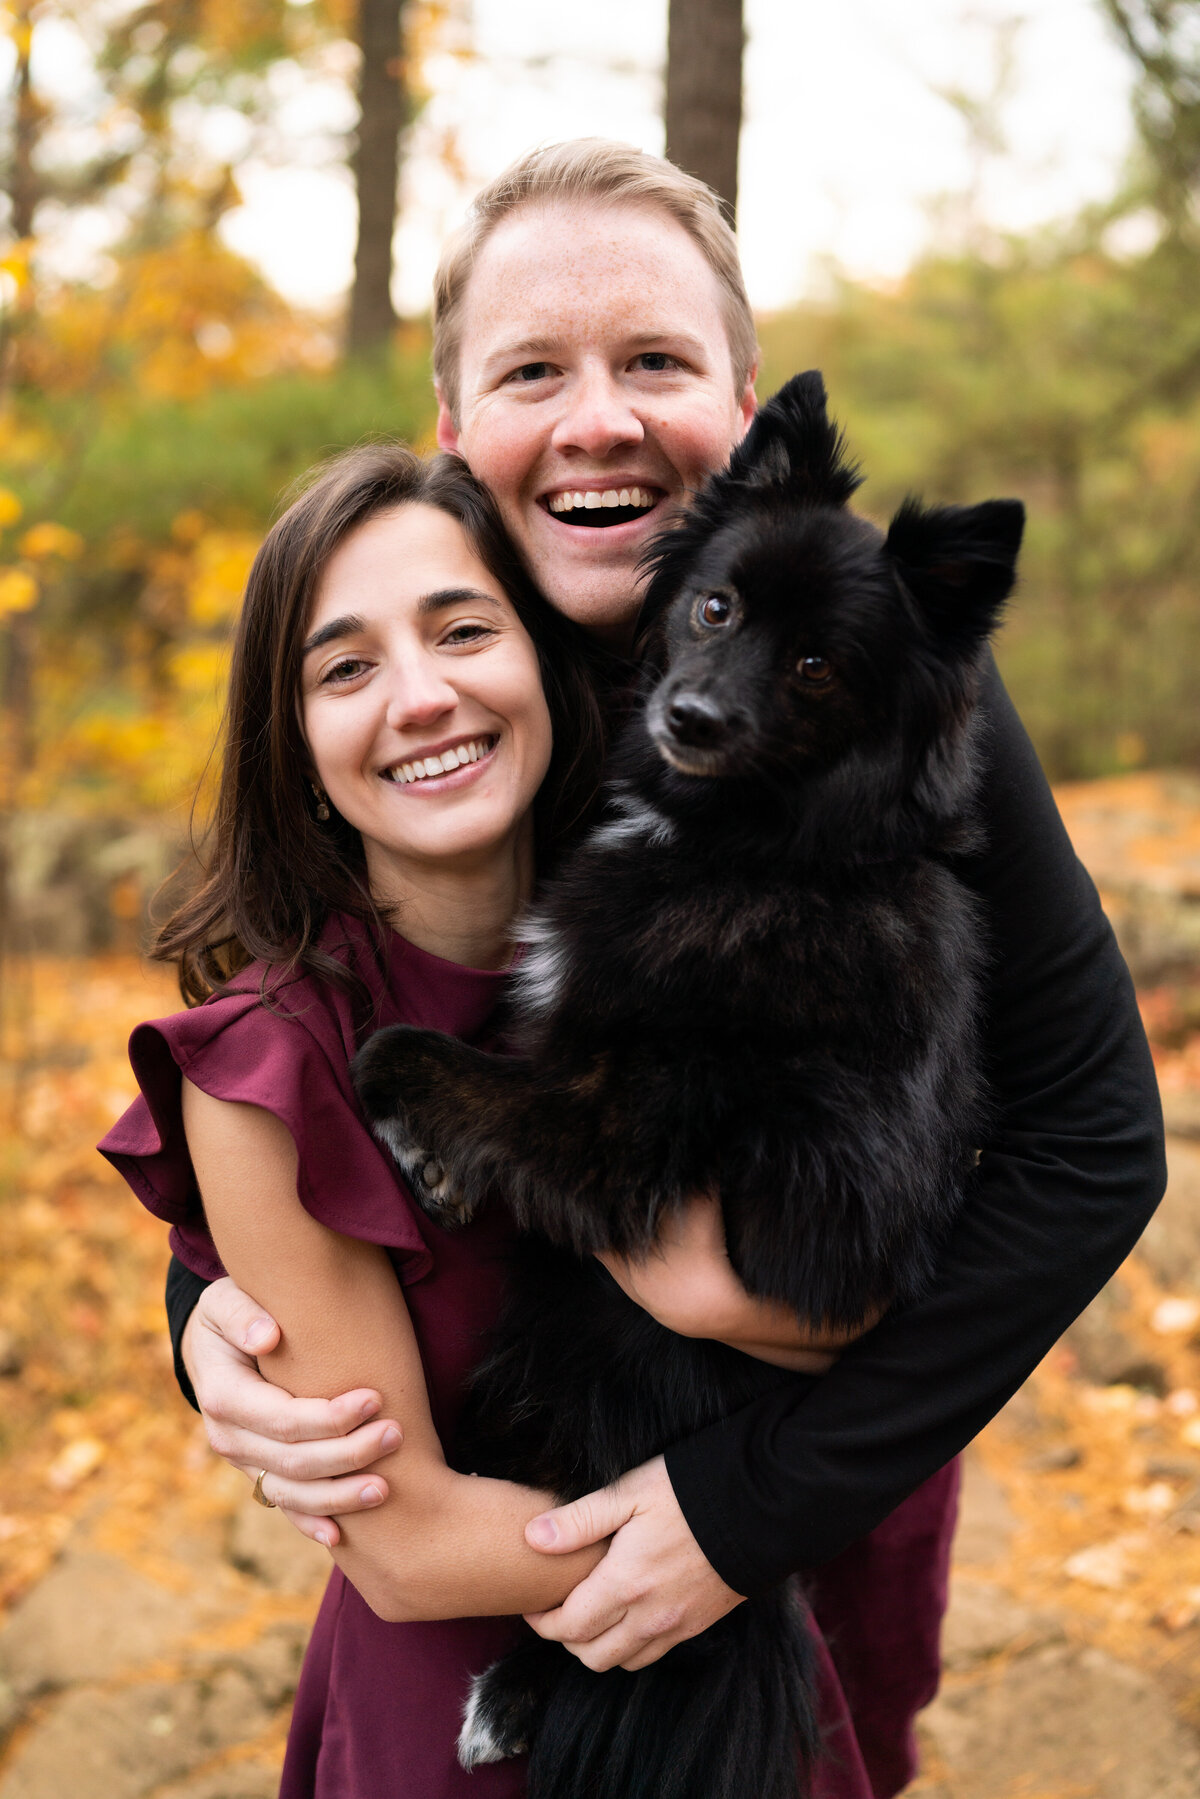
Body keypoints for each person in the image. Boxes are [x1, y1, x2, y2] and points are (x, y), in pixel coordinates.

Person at [154, 141, 1164, 1796]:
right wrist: (214, 1311)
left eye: (657, 364)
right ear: (454, 427)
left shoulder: (903, 707)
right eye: (533, 370)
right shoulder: (445, 662)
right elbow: (298, 1054)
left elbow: (1094, 1139)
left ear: (748, 406)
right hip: (521, 1471)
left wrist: (745, 1507)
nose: (599, 419)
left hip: (836, 1453)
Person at [101, 443, 888, 1797]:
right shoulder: (266, 1069)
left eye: (464, 630)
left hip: (742, 1701)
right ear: (290, 740)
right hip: (475, 1715)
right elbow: (406, 1547)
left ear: (543, 658)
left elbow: (876, 1270)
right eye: (345, 669)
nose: (420, 697)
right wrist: (728, 1535)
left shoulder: (717, 924)